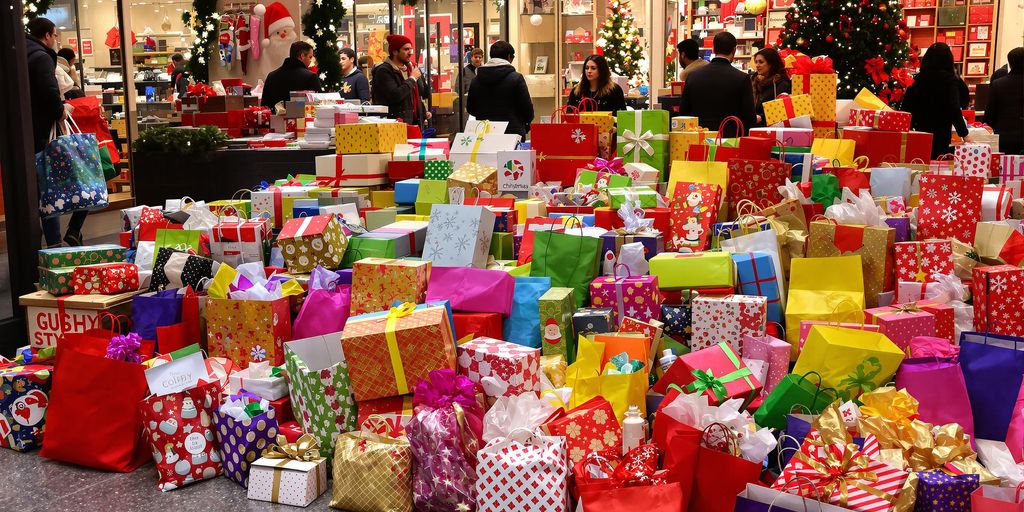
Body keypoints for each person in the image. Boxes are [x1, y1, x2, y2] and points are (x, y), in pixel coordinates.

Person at [27, 17, 87, 247]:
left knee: (41, 188)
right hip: (43, 134)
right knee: (55, 184)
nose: (56, 40)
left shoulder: (21, 53)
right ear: (47, 36)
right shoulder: (42, 57)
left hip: (27, 133)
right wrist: (61, 110)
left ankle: (50, 241)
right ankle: (55, 242)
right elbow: (50, 93)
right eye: (55, 35)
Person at [900, 43, 971, 158]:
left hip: (919, 133)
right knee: (938, 168)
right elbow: (955, 108)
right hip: (941, 134)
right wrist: (964, 134)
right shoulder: (950, 80)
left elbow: (906, 108)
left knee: (919, 165)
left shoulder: (917, 79)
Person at [679, 32, 756, 137]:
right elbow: (749, 117)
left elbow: (684, 112)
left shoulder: (693, 76)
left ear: (713, 49)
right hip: (730, 140)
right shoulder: (742, 78)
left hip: (700, 138)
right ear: (734, 50)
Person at [466, 40, 534, 138]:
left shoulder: (476, 80)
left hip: (484, 134)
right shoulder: (516, 78)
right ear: (509, 57)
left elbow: (471, 108)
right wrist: (525, 122)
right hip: (512, 133)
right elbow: (527, 109)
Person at [372, 34, 430, 128]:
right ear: (395, 52)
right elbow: (396, 95)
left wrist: (422, 111)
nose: (410, 53)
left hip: (414, 122)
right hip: (395, 124)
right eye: (406, 49)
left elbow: (420, 93)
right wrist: (412, 79)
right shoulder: (384, 71)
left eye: (410, 49)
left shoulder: (409, 69)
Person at [260, 41, 321, 111]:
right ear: (302, 56)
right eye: (310, 57)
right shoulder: (311, 77)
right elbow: (317, 107)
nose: (310, 61)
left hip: (275, 121)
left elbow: (264, 107)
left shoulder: (271, 76)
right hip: (301, 120)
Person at [984, 47, 1023, 155]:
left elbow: (990, 113)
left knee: (1005, 168)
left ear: (1010, 64)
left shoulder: (998, 84)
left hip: (1004, 135)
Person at [751, 47, 791, 127]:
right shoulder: (755, 82)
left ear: (771, 64)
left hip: (773, 130)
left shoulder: (782, 84)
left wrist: (761, 117)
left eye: (761, 62)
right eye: (756, 62)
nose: (757, 65)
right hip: (755, 128)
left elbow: (782, 111)